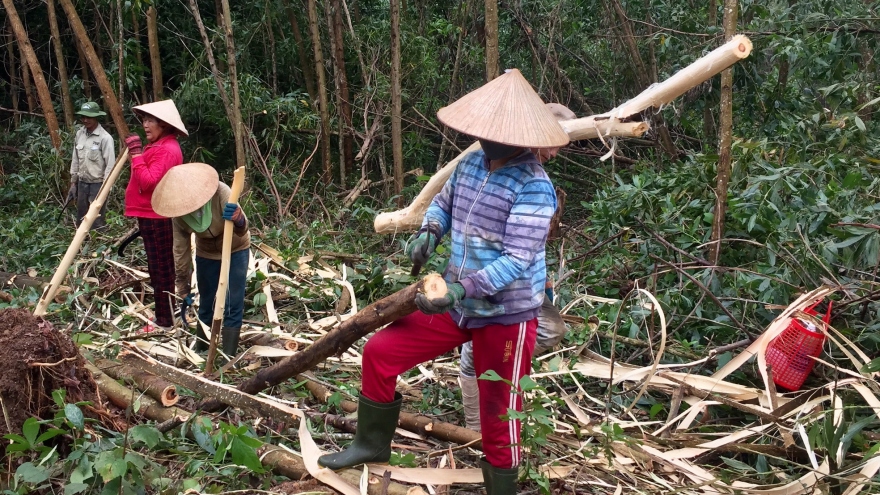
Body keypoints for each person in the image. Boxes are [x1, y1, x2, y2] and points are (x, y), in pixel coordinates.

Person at [317, 69, 569, 495]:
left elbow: (516, 261)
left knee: (498, 408)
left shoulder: (534, 187)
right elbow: (443, 203)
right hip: (455, 302)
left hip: (505, 313)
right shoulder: (472, 162)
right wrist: (429, 232)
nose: (482, 138)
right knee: (380, 351)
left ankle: (501, 489)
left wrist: (460, 289)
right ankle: (370, 444)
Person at [457, 102, 574, 432]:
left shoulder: (535, 178)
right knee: (476, 353)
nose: (554, 153)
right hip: (486, 283)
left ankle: (485, 411)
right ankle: (473, 428)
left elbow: (527, 244)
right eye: (553, 143)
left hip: (523, 287)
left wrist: (544, 279)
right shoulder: (492, 166)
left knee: (552, 329)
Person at [150, 162, 250, 355]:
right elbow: (181, 250)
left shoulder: (221, 191)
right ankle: (202, 352)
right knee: (206, 305)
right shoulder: (179, 214)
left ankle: (228, 357)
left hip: (235, 248)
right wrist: (183, 286)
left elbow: (243, 227)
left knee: (232, 303)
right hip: (206, 253)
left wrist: (238, 219)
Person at [123, 100, 187, 332]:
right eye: (144, 120)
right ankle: (164, 315)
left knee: (161, 269)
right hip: (151, 214)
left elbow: (148, 181)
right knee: (157, 267)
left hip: (158, 215)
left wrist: (136, 154)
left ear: (164, 124)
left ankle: (165, 321)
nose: (145, 125)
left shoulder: (167, 149)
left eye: (150, 120)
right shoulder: (160, 146)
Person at [67, 101, 116, 229]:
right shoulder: (79, 134)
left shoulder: (105, 138)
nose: (85, 120)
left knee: (96, 220)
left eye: (88, 117)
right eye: (83, 117)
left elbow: (110, 165)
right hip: (82, 183)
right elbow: (75, 159)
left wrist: (105, 189)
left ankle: (98, 245)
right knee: (81, 218)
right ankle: (81, 245)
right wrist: (73, 183)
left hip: (98, 184)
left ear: (96, 117)